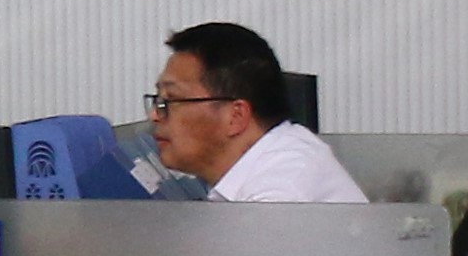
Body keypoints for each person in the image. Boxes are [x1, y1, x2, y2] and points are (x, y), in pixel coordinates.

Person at [149, 20, 363, 204]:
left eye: (171, 99)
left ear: (236, 116)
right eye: (158, 100)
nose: (155, 116)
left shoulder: (279, 195)